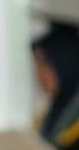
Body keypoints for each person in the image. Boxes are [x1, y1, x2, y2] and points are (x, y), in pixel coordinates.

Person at [33, 15, 79, 149]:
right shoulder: (50, 110)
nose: (38, 75)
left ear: (65, 65)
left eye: (44, 65)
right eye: (36, 65)